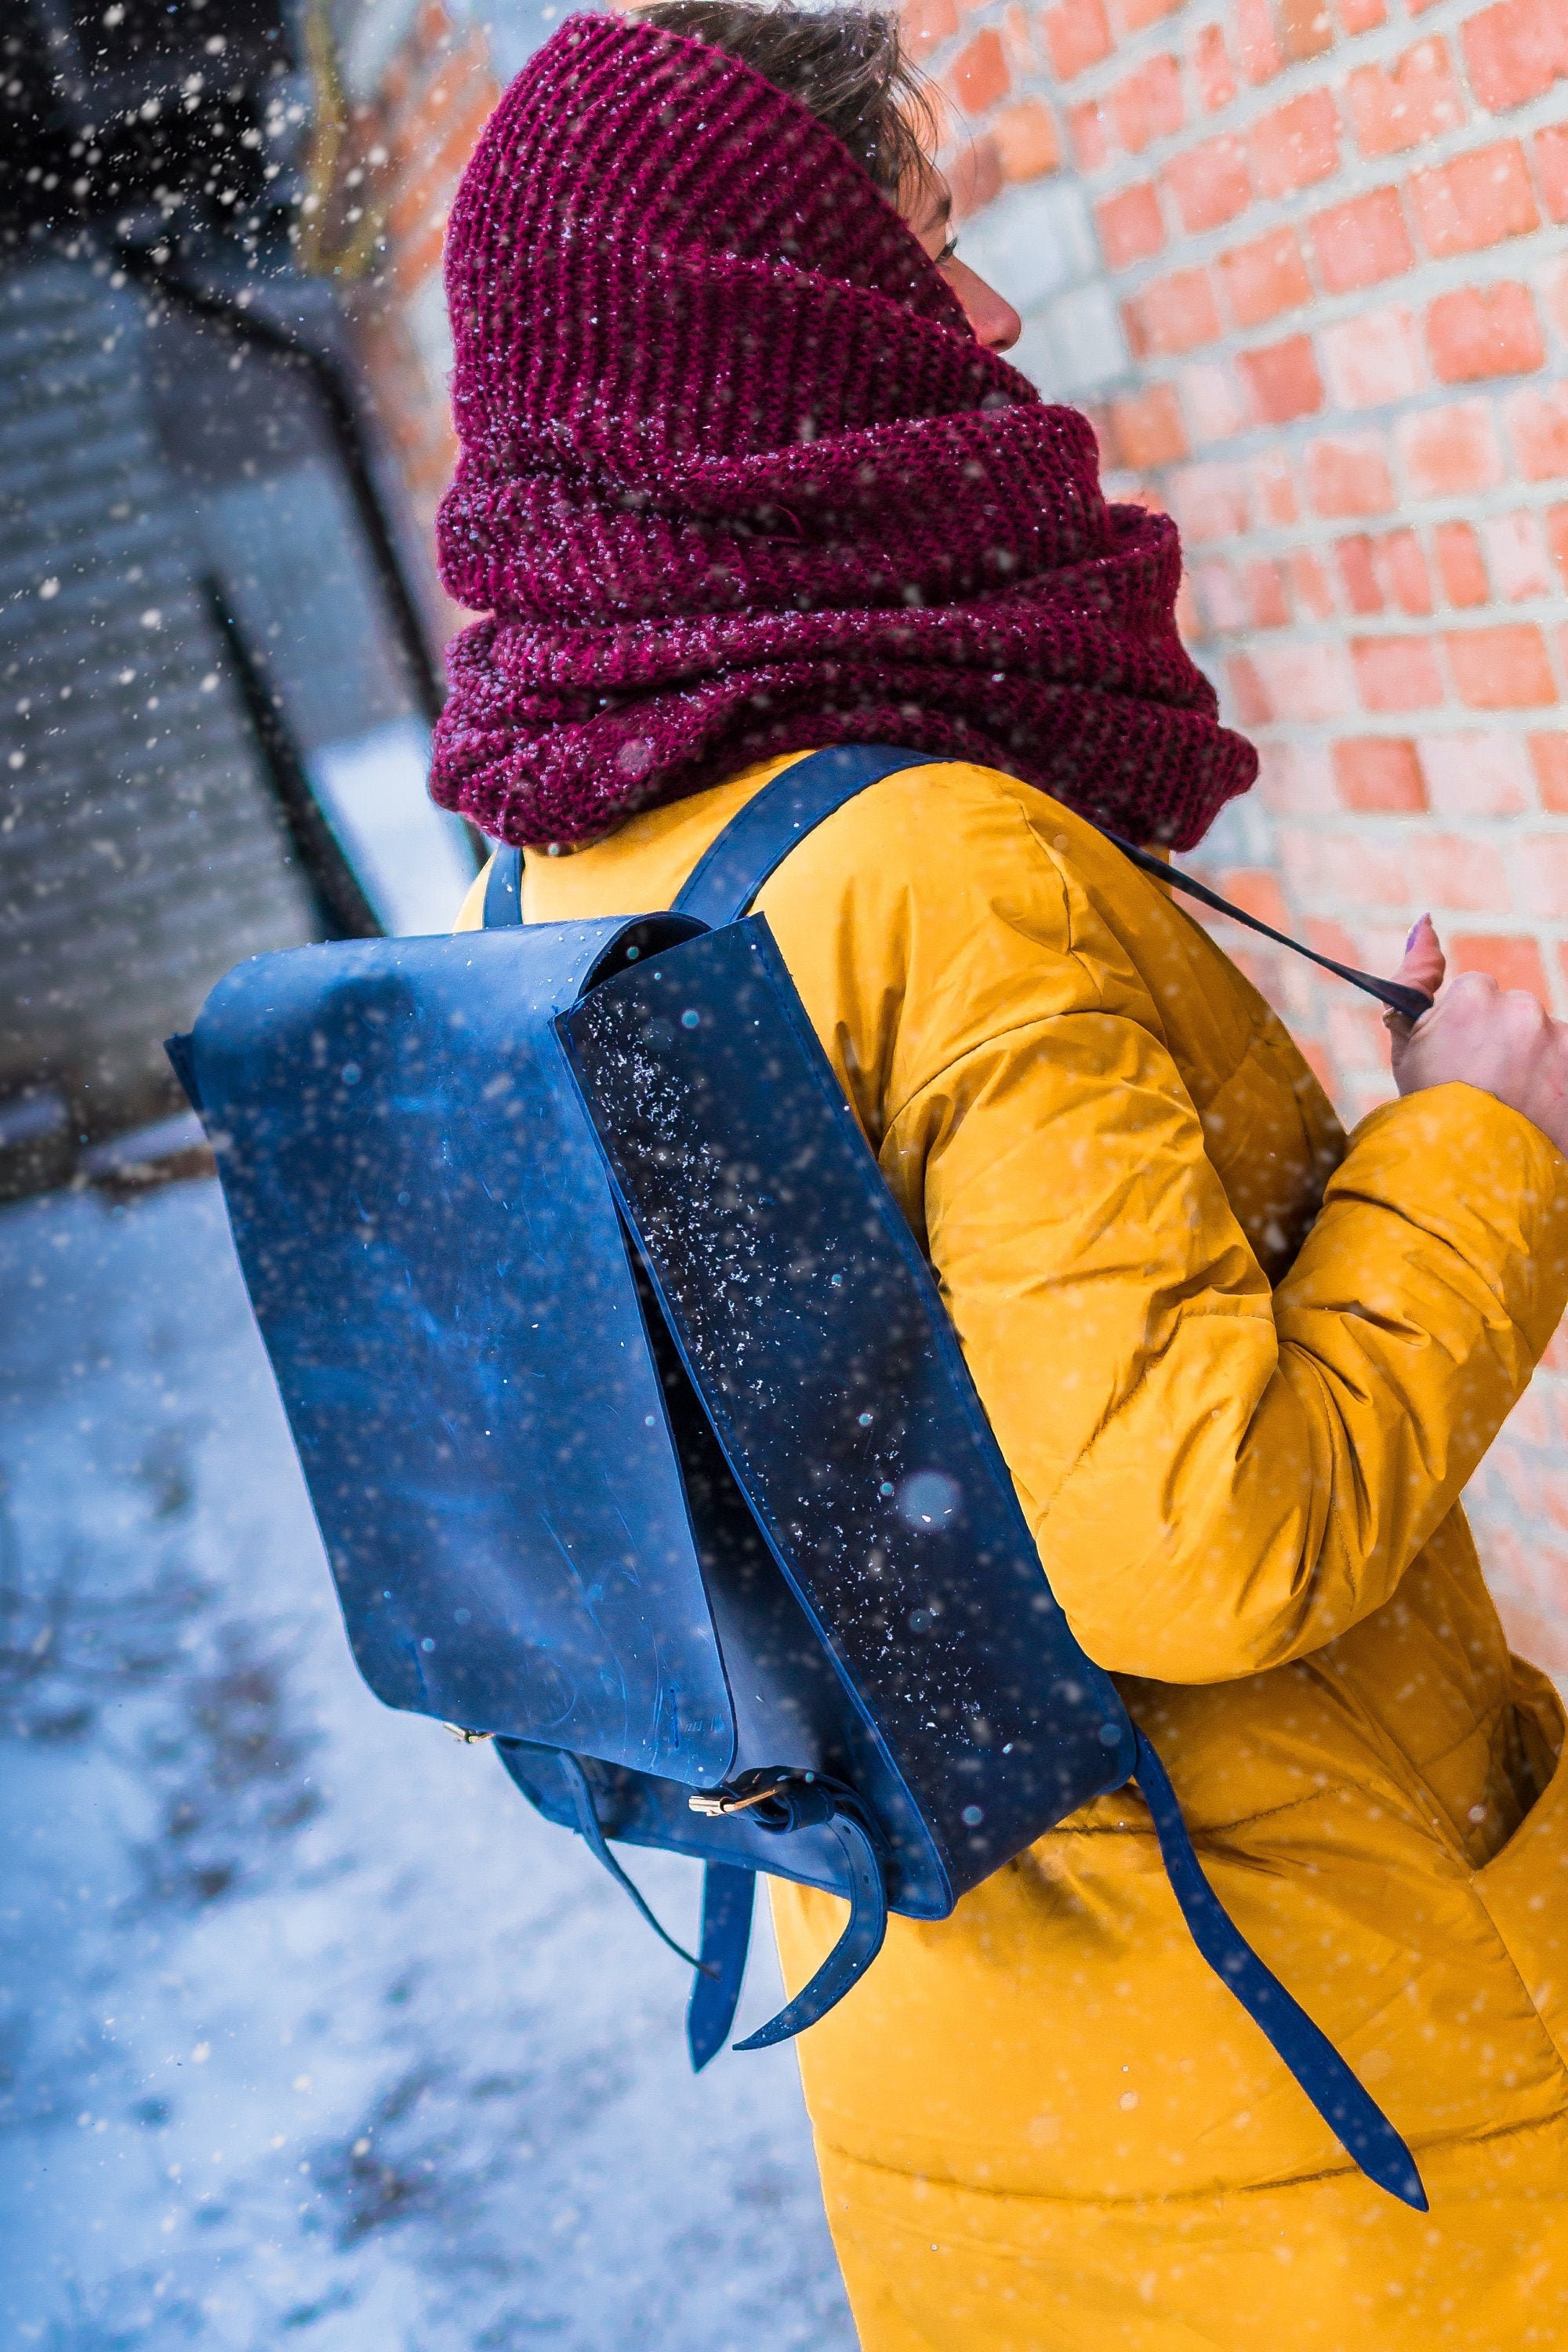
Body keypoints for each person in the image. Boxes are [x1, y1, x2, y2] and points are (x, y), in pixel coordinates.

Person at [433, 8, 1568, 2342]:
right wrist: (1478, 1142)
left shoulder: (575, 868)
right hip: (1337, 2116)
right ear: (787, 337)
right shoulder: (943, 870)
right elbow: (1206, 1542)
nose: (997, 321)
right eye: (930, 256)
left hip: (980, 2094)